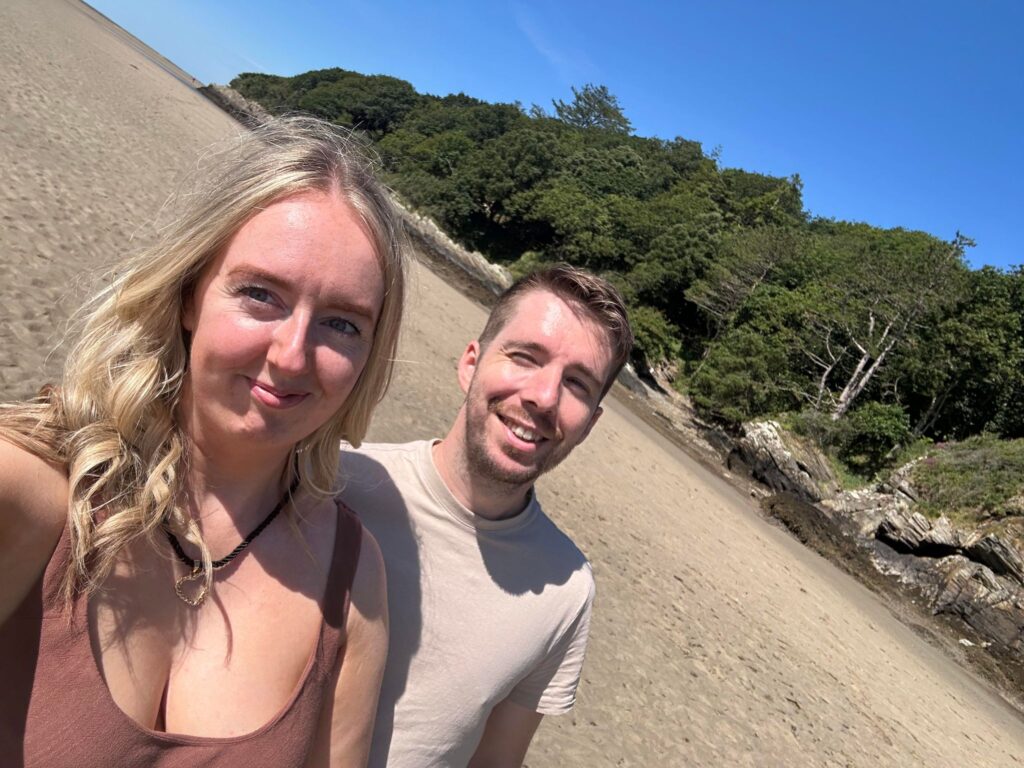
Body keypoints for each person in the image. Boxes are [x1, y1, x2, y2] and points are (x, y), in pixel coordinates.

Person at [0, 116, 406, 767]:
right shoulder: (39, 486)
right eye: (260, 294)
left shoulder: (353, 581)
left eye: (341, 323)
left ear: (369, 355)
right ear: (190, 293)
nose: (293, 354)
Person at [339, 265, 633, 767]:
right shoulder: (341, 480)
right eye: (524, 357)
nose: (544, 397)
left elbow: (497, 758)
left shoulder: (567, 590)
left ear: (590, 425)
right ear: (470, 363)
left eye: (578, 384)